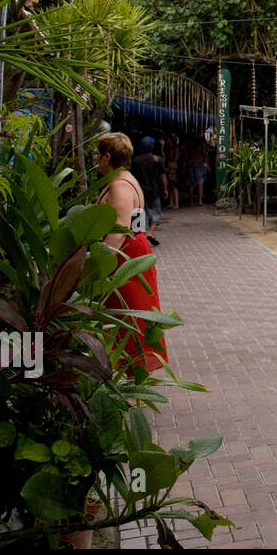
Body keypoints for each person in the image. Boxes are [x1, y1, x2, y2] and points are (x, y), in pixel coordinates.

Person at [94, 132, 168, 374]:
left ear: (107, 157)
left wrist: (99, 270)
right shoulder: (122, 180)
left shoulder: (119, 186)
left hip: (125, 256)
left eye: (96, 153)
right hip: (128, 253)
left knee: (129, 315)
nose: (94, 158)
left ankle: (132, 372)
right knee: (128, 315)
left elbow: (118, 231)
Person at [130, 136, 166, 244]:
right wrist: (165, 189)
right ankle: (150, 233)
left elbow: (132, 176)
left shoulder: (136, 161)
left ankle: (141, 236)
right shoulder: (158, 159)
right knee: (155, 211)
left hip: (139, 191)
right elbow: (162, 176)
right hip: (154, 190)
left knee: (140, 211)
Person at [186, 133, 209, 206]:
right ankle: (200, 201)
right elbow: (204, 154)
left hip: (191, 162)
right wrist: (207, 165)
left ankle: (191, 201)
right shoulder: (201, 144)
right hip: (199, 162)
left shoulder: (190, 143)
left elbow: (186, 154)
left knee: (191, 182)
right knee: (200, 182)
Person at [163, 134, 180, 210]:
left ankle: (176, 204)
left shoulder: (175, 148)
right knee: (169, 187)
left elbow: (176, 158)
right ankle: (171, 203)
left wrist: (170, 157)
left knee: (174, 187)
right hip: (169, 168)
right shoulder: (167, 149)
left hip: (173, 168)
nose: (167, 142)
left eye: (168, 140)